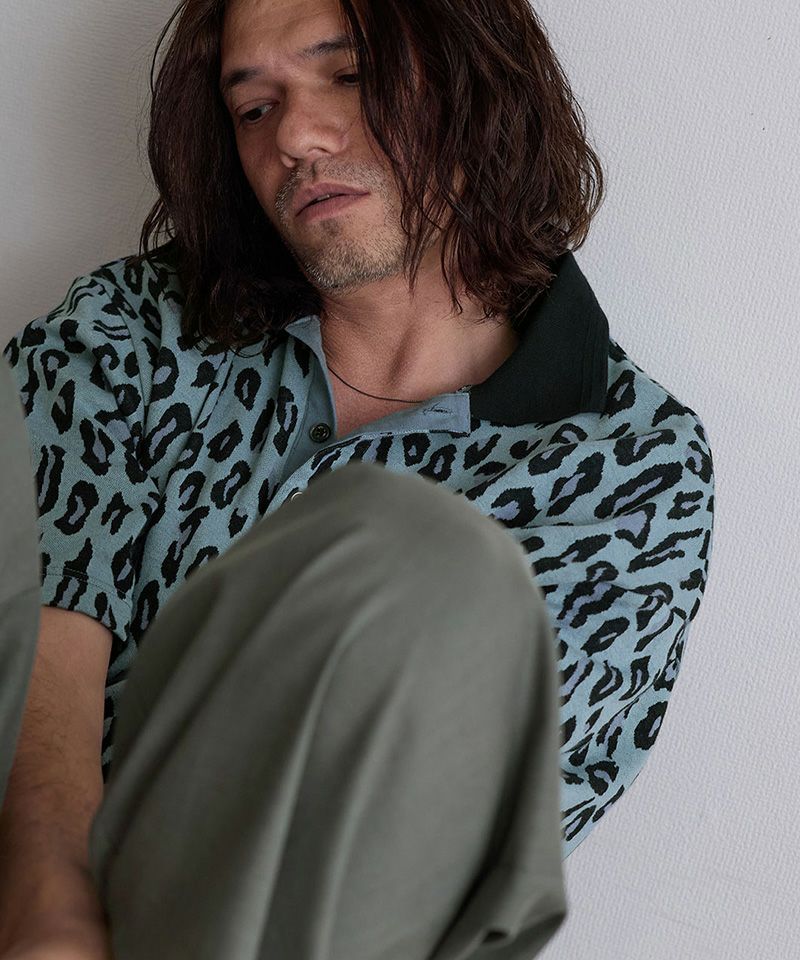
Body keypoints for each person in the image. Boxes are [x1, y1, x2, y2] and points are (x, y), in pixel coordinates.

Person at [0, 0, 716, 958]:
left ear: (475, 80)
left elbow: (420, 829)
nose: (296, 137)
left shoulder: (628, 469)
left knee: (427, 561)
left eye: (350, 75)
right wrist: (49, 913)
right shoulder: (129, 330)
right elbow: (36, 624)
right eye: (254, 108)